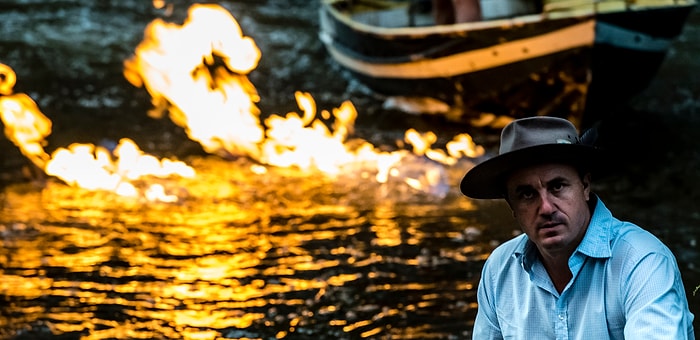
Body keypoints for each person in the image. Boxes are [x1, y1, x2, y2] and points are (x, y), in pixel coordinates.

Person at [460, 116, 695, 339]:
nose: (546, 208)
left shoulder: (641, 260)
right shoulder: (499, 270)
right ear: (512, 205)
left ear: (585, 185)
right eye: (527, 194)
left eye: (558, 186)